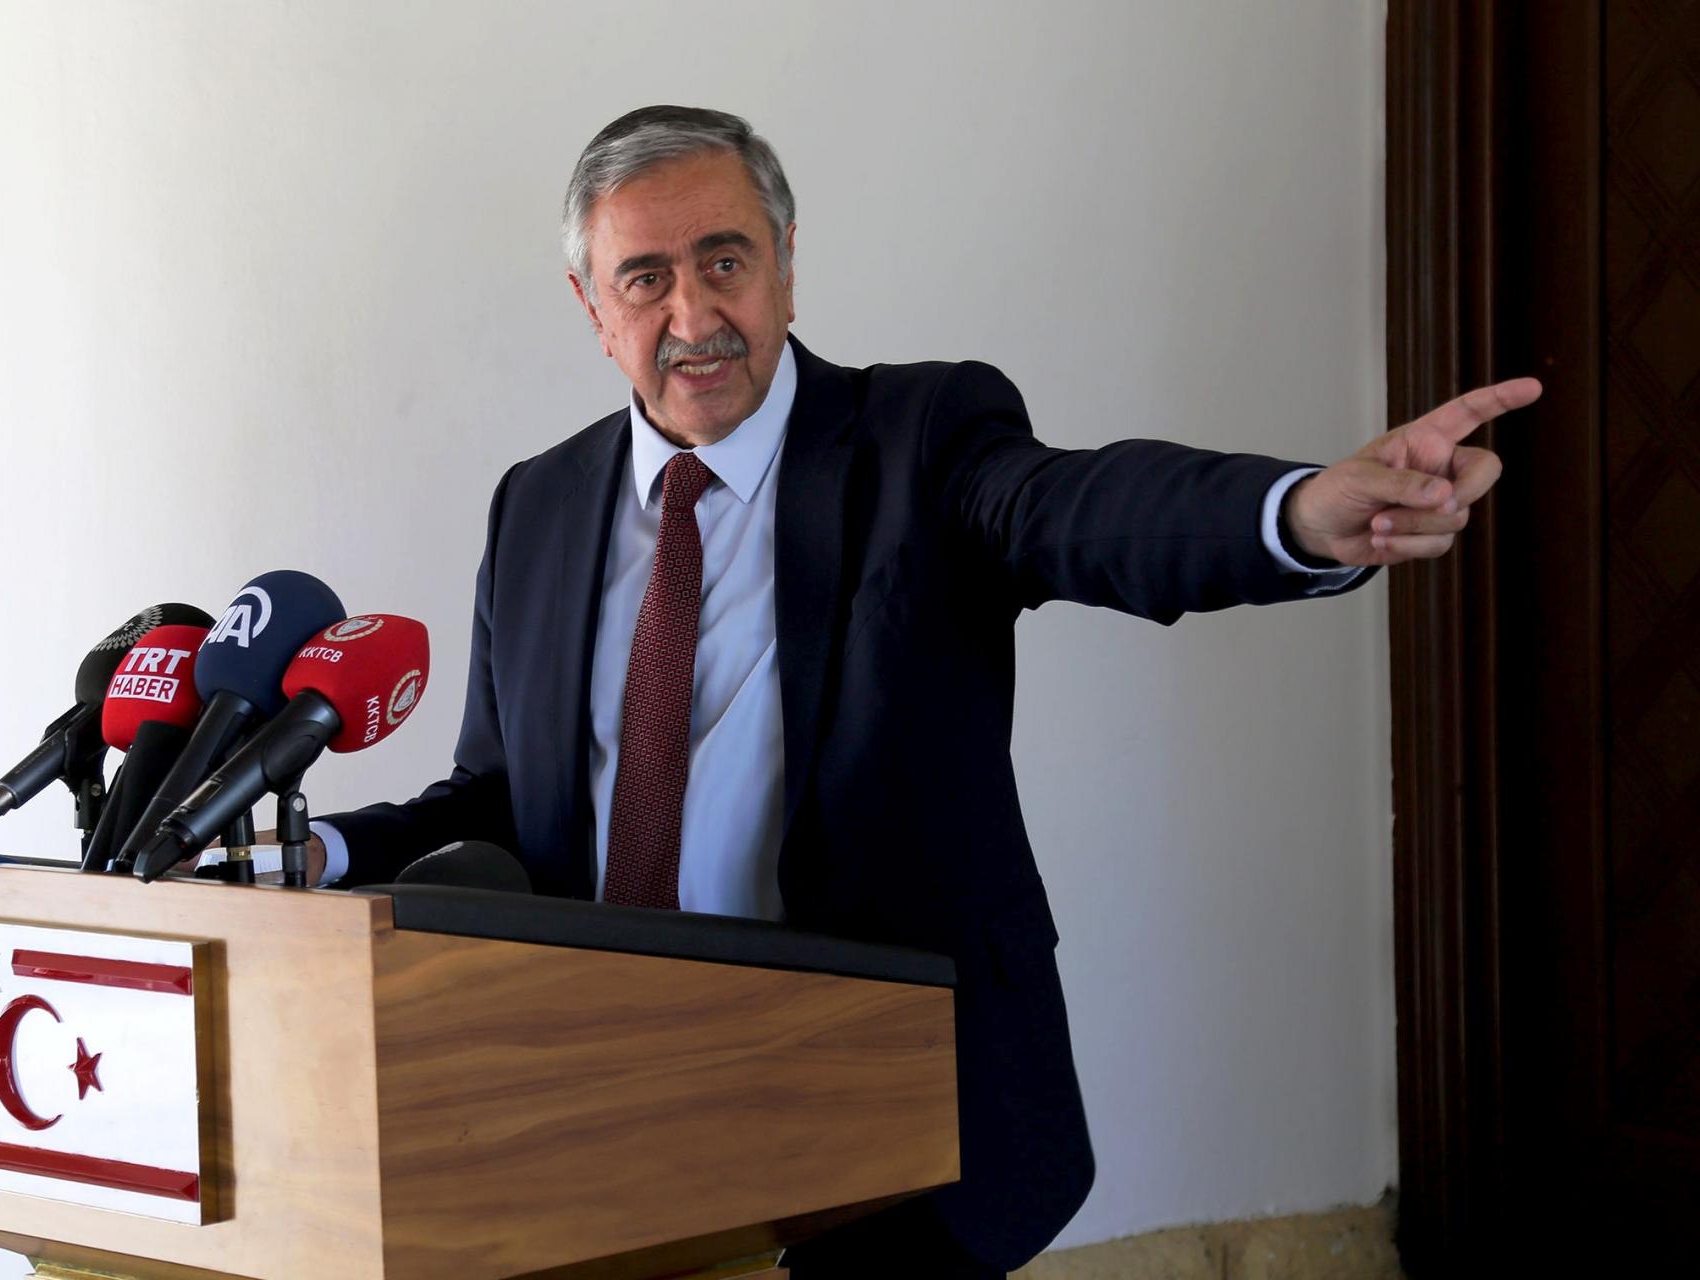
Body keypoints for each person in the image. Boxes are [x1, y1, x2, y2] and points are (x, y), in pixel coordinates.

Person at [297, 106, 1540, 1276]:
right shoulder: (537, 504)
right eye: (647, 277)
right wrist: (321, 850)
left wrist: (1298, 513)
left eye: (725, 260)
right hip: (603, 1104)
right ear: (591, 307)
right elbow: (504, 800)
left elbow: (1081, 510)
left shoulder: (920, 434)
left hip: (882, 1111)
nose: (694, 313)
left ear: (787, 264)